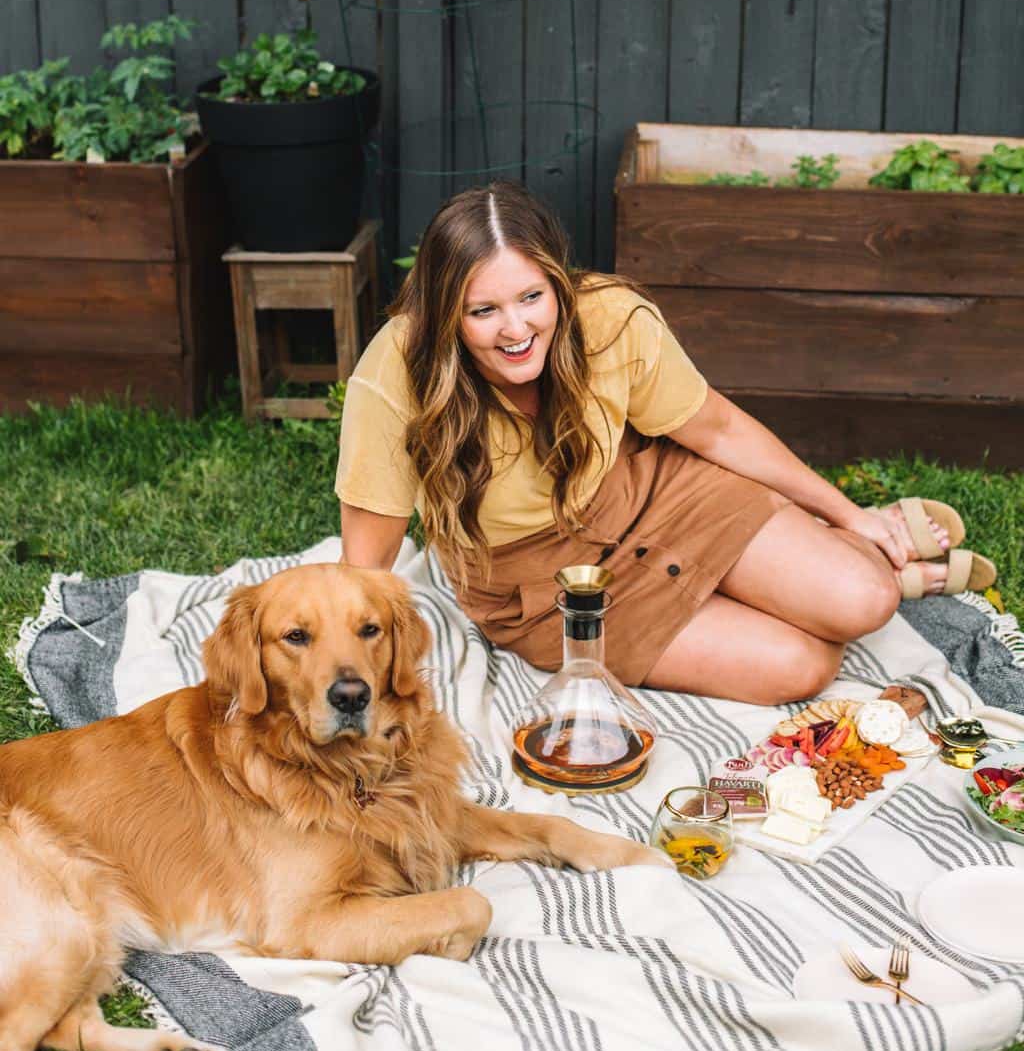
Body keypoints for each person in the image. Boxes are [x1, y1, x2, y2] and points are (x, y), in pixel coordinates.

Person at [335, 182, 965, 705]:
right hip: (542, 585)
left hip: (652, 495)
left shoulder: (611, 318)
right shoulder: (396, 373)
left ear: (559, 281)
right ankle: (827, 571)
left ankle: (864, 548)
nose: (516, 329)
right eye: (483, 311)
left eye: (532, 297)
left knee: (867, 601)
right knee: (802, 669)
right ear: (447, 314)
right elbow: (365, 566)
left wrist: (846, 511)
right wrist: (351, 682)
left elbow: (715, 428)